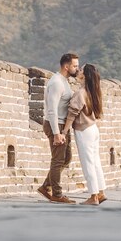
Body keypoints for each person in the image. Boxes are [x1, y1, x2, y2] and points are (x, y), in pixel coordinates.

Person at [62, 64, 107, 206]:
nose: (78, 71)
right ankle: (100, 192)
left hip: (84, 131)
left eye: (80, 70)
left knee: (88, 163)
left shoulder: (81, 93)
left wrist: (64, 131)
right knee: (95, 161)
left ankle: (93, 196)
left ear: (85, 76)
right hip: (93, 129)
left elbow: (72, 114)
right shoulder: (93, 92)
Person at [37, 53, 79, 204]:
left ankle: (45, 186)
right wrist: (56, 133)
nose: (77, 69)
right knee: (58, 160)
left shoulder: (65, 81)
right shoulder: (56, 83)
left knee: (66, 158)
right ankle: (57, 194)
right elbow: (52, 110)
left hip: (62, 125)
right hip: (55, 124)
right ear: (66, 66)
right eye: (75, 66)